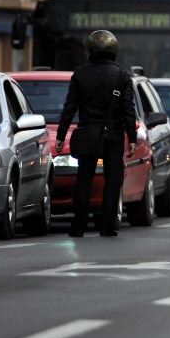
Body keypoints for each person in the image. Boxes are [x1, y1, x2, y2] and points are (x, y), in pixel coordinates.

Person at [55, 30, 138, 237]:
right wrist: (133, 138)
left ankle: (78, 226)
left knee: (84, 178)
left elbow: (69, 108)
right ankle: (107, 226)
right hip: (114, 135)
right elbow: (128, 109)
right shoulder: (121, 76)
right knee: (113, 180)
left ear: (90, 50)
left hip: (87, 134)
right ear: (114, 50)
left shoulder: (80, 74)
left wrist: (60, 135)